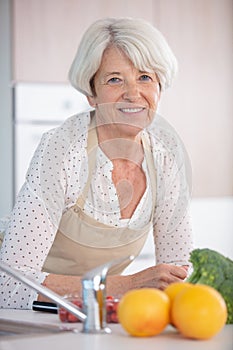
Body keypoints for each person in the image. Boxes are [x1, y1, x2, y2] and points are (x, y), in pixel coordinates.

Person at [0, 17, 193, 309]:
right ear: (91, 94)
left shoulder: (166, 157)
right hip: (29, 315)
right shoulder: (62, 149)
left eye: (145, 78)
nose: (133, 94)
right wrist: (127, 285)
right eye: (114, 79)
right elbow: (9, 285)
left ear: (159, 89)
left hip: (89, 313)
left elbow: (178, 273)